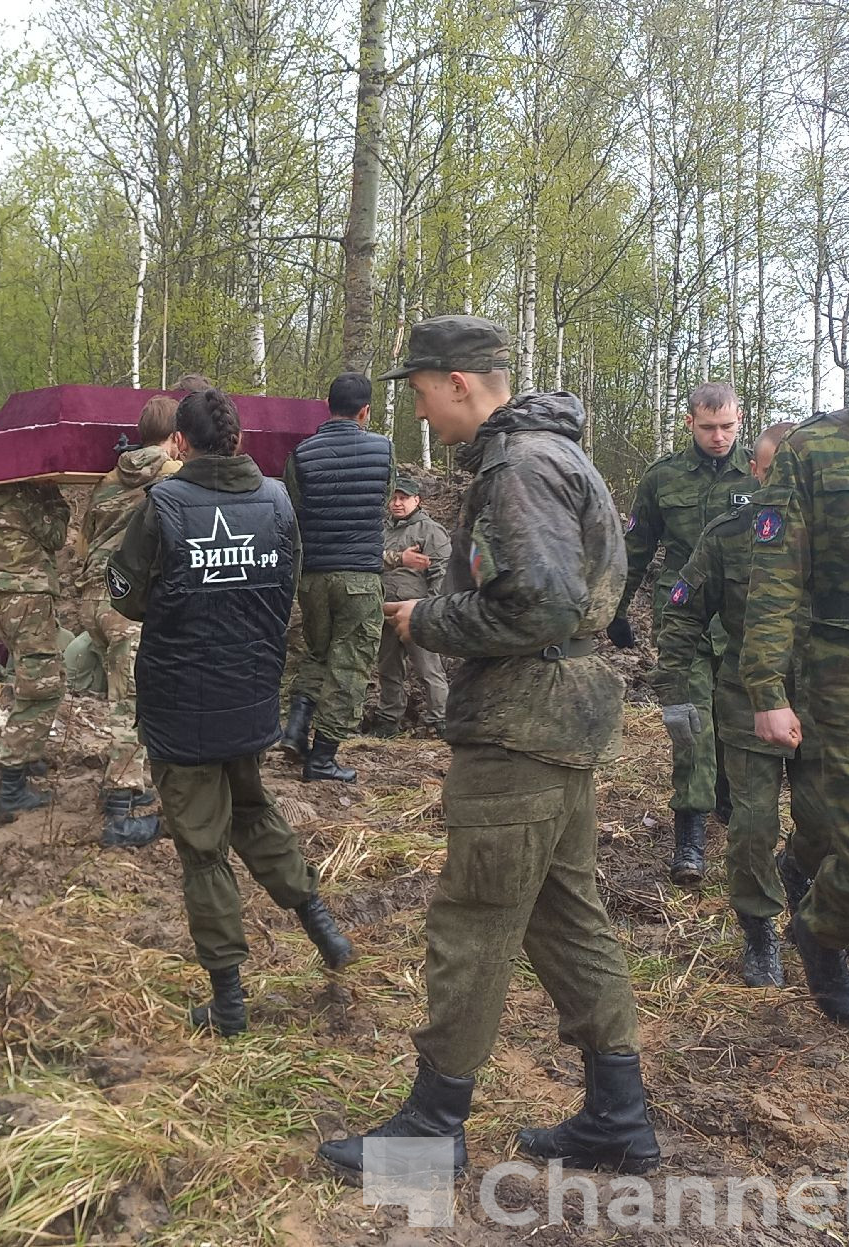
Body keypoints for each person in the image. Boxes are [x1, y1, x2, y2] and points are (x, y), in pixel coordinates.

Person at [319, 316, 657, 1178]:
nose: (423, 414)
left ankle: (432, 1131)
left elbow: (538, 603)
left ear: (458, 383)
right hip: (560, 721)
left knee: (472, 920)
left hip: (521, 725)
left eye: (423, 392)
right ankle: (619, 1115)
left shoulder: (519, 467)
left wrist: (426, 616)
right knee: (563, 912)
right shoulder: (557, 453)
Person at [108, 388, 355, 1036]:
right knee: (252, 810)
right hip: (249, 698)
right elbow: (288, 587)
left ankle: (229, 999)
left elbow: (126, 596)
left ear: (180, 444)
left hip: (180, 706)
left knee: (204, 851)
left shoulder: (161, 504)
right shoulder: (276, 501)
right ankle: (321, 924)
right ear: (240, 441)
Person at [741, 303, 849, 1028]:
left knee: (835, 832)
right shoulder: (818, 449)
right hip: (846, 682)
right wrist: (766, 689)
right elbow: (773, 582)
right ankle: (822, 930)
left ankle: (802, 869)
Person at [653, 422, 812, 989]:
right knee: (751, 824)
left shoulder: (848, 531)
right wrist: (672, 687)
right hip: (747, 701)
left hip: (827, 703)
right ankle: (760, 929)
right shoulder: (729, 535)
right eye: (774, 472)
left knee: (827, 826)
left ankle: (808, 899)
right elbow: (685, 612)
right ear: (758, 471)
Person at [608, 382, 752, 884]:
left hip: (742, 619)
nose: (719, 437)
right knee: (690, 723)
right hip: (681, 616)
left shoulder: (761, 472)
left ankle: (730, 806)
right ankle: (690, 831)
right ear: (689, 422)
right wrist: (616, 609)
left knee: (737, 720)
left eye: (728, 427)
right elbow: (636, 549)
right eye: (709, 427)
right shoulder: (662, 478)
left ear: (740, 420)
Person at [71, 394, 180, 848]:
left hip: (92, 601)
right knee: (130, 702)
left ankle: (125, 782)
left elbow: (81, 544)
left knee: (125, 696)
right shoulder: (174, 475)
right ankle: (122, 802)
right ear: (177, 437)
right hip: (126, 604)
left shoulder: (109, 477)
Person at [278, 372, 394, 782]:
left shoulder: (302, 453)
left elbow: (291, 510)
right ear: (365, 411)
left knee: (318, 653)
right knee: (351, 665)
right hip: (360, 577)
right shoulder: (383, 449)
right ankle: (323, 757)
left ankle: (294, 730)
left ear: (328, 407)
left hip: (312, 578)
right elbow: (384, 498)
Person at [0, 477, 69, 821]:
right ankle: (13, 782)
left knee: (39, 678)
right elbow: (55, 536)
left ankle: (29, 758)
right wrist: (56, 500)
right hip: (28, 598)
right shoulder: (27, 497)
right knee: (41, 690)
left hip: (5, 597)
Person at [369, 475, 451, 737]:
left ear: (417, 500)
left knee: (429, 669)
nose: (397, 503)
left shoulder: (431, 531)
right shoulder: (382, 530)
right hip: (386, 611)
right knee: (388, 669)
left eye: (403, 498)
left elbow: (442, 572)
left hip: (418, 614)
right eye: (393, 498)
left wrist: (431, 609)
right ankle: (388, 719)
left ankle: (440, 721)